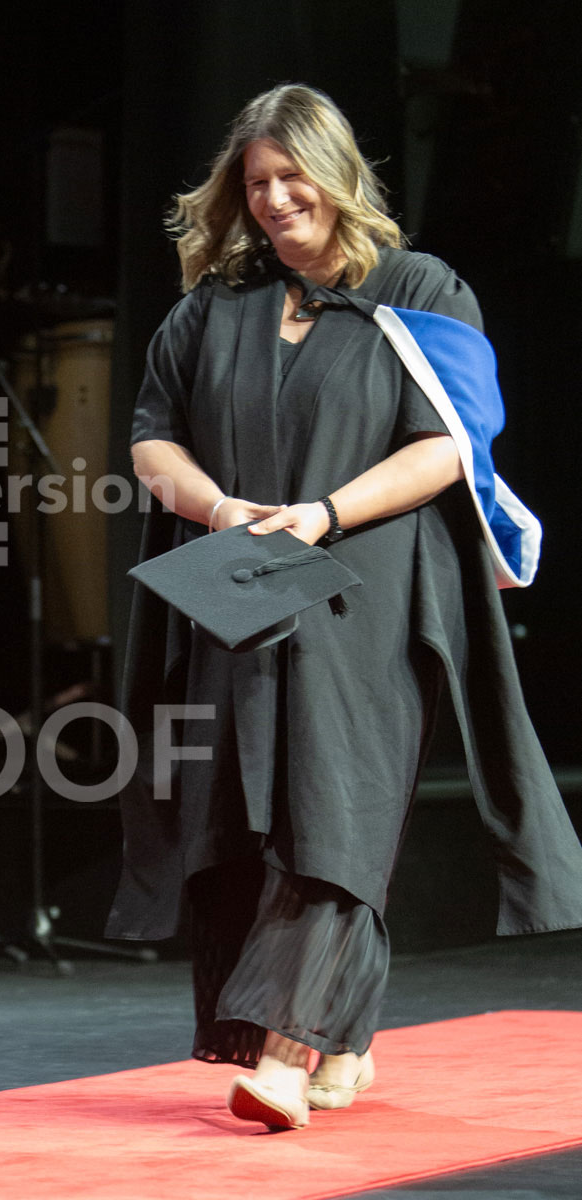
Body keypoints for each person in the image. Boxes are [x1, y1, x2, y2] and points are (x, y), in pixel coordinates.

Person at [105, 83, 582, 1131]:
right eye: (256, 183)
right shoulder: (214, 307)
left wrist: (324, 514)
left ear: (338, 172)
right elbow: (151, 441)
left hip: (374, 589)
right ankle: (342, 1036)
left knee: (336, 810)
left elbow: (447, 446)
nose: (275, 200)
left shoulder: (420, 291)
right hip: (240, 585)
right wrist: (221, 506)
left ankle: (286, 1054)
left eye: (292, 177)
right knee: (243, 815)